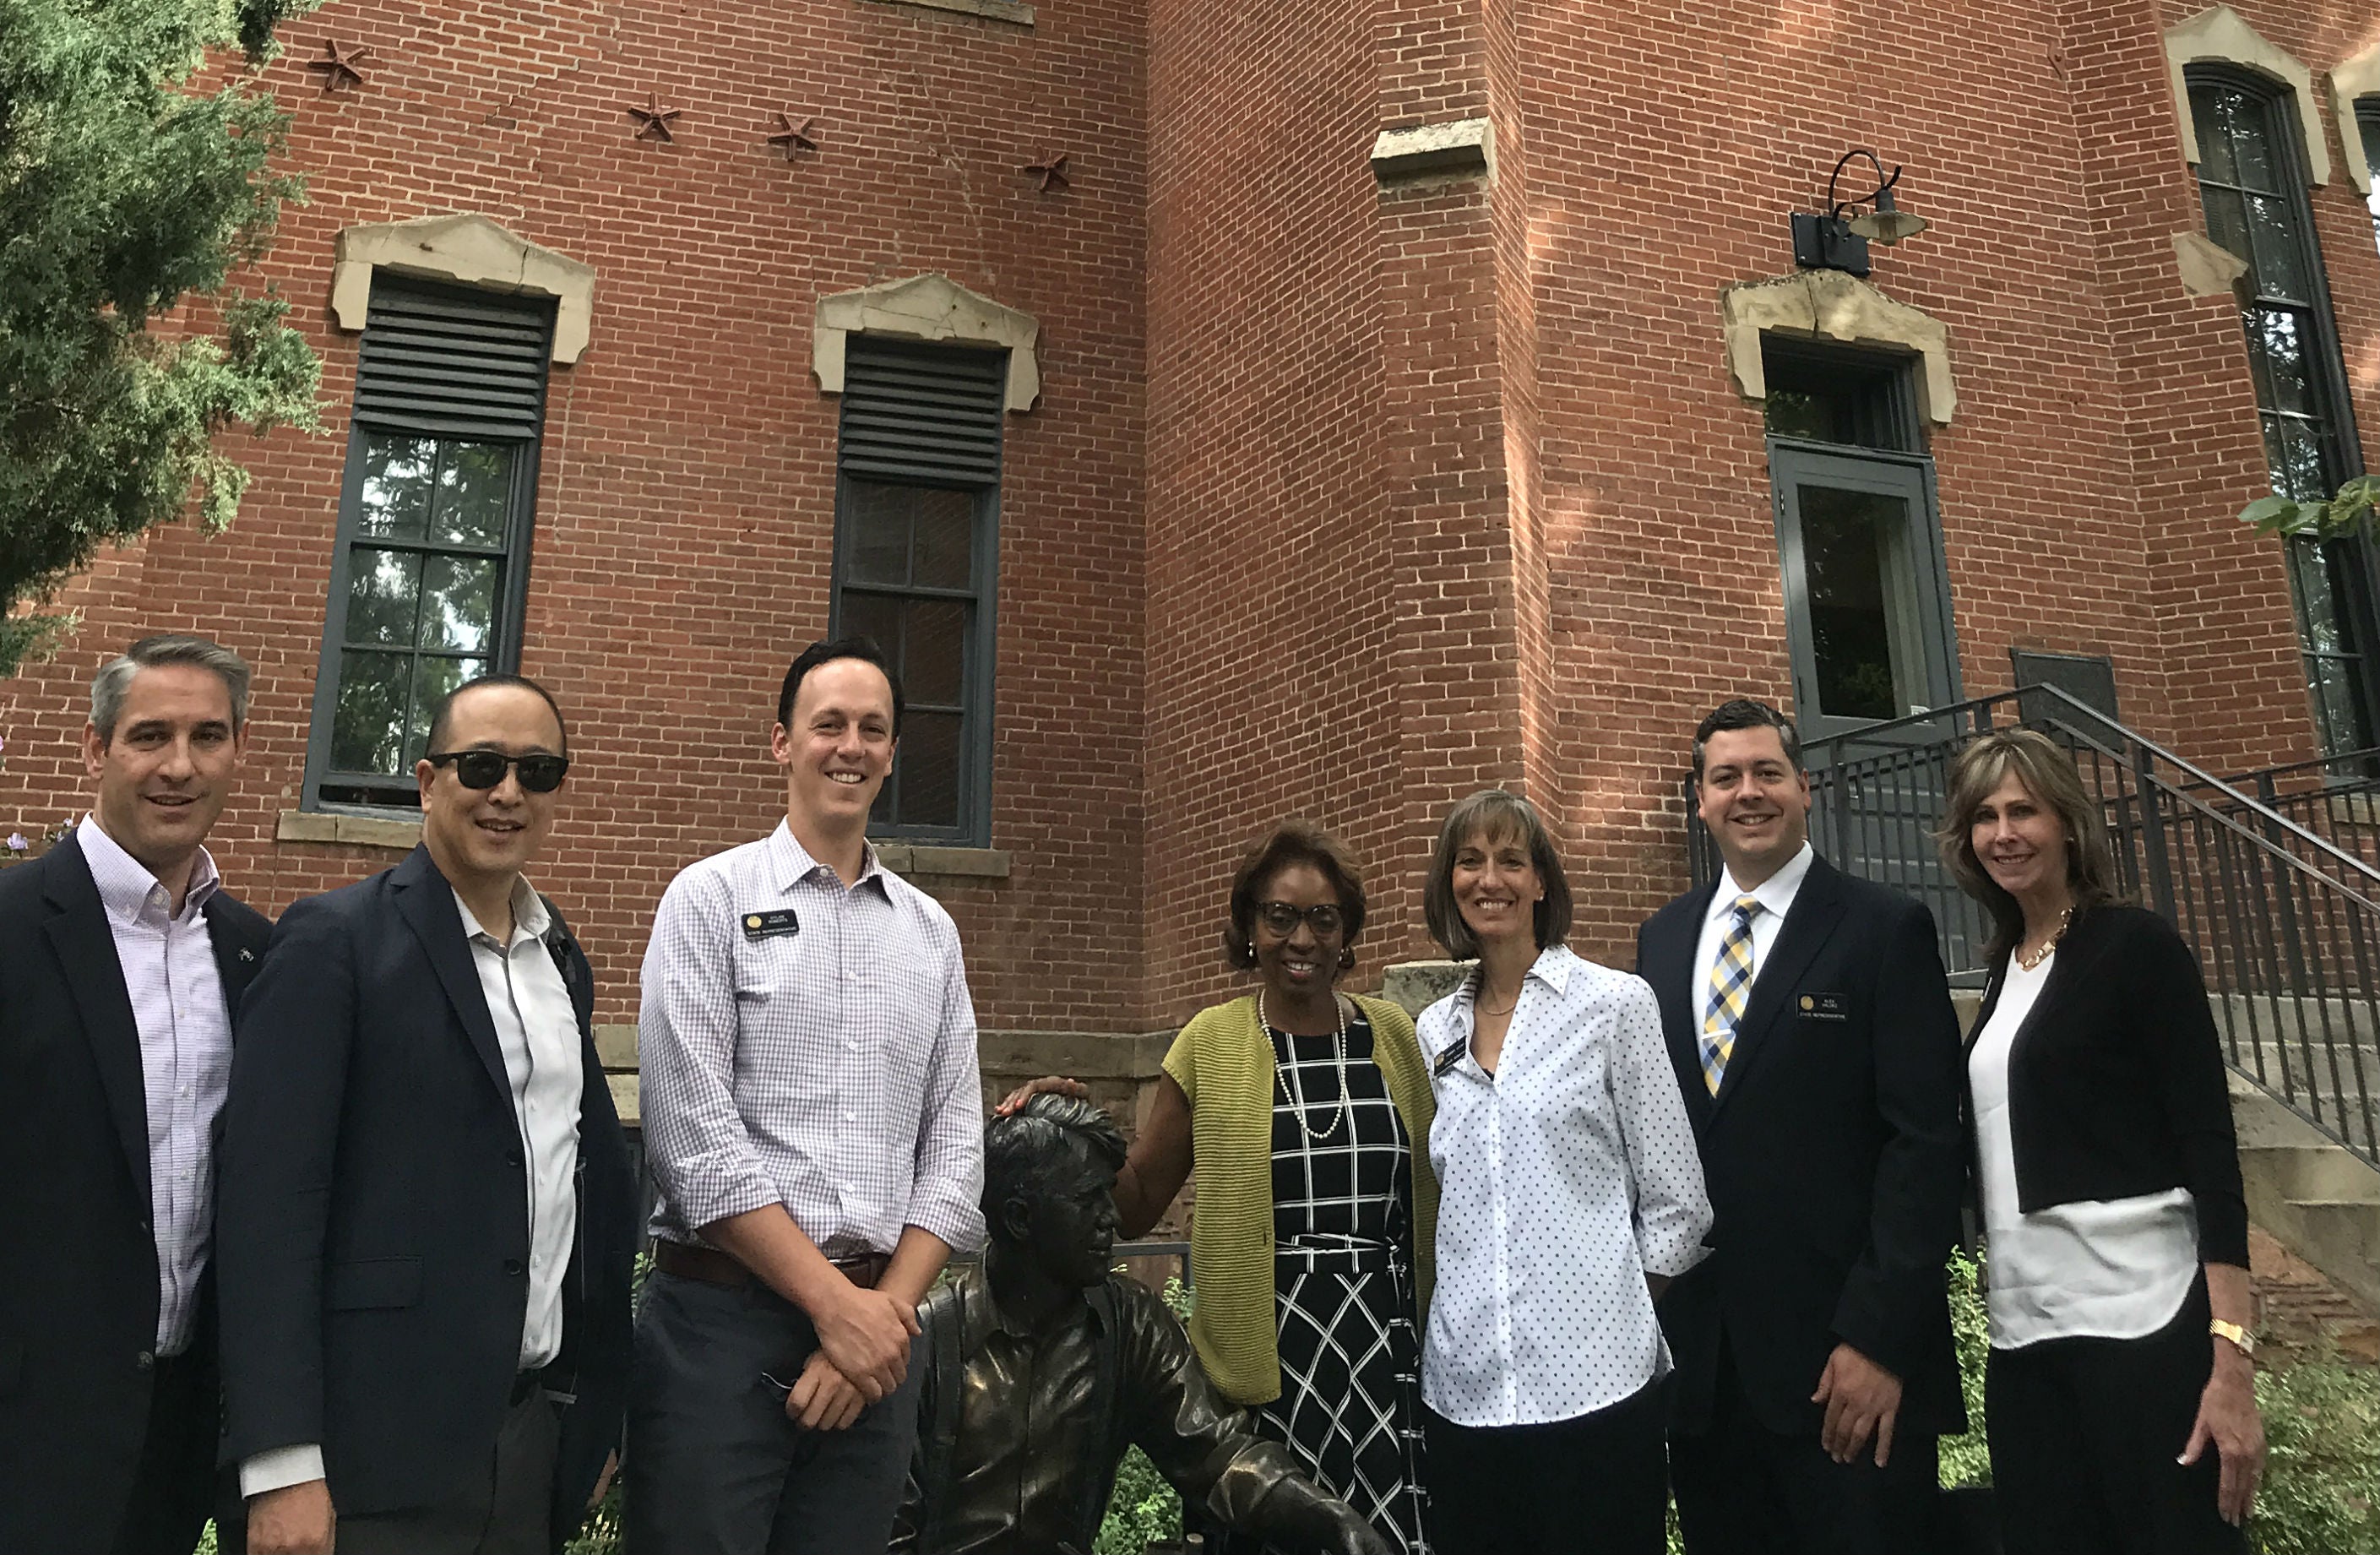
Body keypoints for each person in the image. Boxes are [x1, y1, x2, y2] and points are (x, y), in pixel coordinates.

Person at [216, 673, 637, 1555]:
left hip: (526, 1448)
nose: (508, 791)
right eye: (481, 764)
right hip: (367, 1459)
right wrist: (283, 1458)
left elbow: (572, 1185)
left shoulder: (560, 961)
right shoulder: (334, 940)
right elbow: (266, 1210)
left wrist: (588, 1408)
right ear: (426, 779)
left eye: (538, 770)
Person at [629, 637, 986, 1555]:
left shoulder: (931, 935)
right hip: (720, 1334)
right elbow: (693, 1144)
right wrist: (836, 1309)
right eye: (828, 723)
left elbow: (953, 1150)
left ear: (894, 752)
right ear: (781, 742)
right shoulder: (707, 900)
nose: (850, 746)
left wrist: (876, 1320)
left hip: (879, 1344)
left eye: (873, 728)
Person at [997, 820, 1438, 1554]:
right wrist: (1070, 1122)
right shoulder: (1208, 1040)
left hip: (1388, 1350)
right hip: (1271, 1355)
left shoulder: (1393, 1035)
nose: (1302, 937)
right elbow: (1135, 1202)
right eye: (1281, 916)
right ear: (1251, 926)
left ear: (1346, 931)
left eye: (1322, 917)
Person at [1633, 699, 1965, 1555]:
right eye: (1725, 776)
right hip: (1705, 1379)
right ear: (1699, 801)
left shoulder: (1883, 927)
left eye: (1767, 771)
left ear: (1804, 786)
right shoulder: (1661, 941)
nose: (1748, 792)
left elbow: (1923, 1144)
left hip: (1843, 1376)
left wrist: (1877, 1339)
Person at [1937, 728, 2263, 1552]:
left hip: (2142, 1327)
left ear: (2069, 824)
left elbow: (2209, 1153)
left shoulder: (2135, 947)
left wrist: (2230, 1359)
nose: (2002, 832)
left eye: (2023, 810)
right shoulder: (2003, 969)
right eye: (1984, 816)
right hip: (2025, 1338)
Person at [0, 635, 272, 1555]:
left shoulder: (253, 953)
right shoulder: (11, 929)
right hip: (24, 1425)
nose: (179, 765)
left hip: (178, 1432)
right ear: (95, 747)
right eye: (150, 734)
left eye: (208, 736)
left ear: (238, 749)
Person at [890, 1095, 1394, 1555]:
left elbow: (1217, 1455)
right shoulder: (927, 1341)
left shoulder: (1129, 1325)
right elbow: (890, 1527)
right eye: (1088, 1201)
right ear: (1021, 1219)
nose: (1113, 1218)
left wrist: (1328, 1519)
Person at [1416, 788, 1712, 1555]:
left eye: (1511, 859)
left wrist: (1609, 1306)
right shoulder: (1434, 1029)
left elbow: (1678, 1200)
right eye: (1470, 860)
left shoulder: (1615, 1006)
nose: (1491, 879)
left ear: (1541, 880)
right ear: (1450, 881)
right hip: (1467, 1389)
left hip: (1599, 1390)